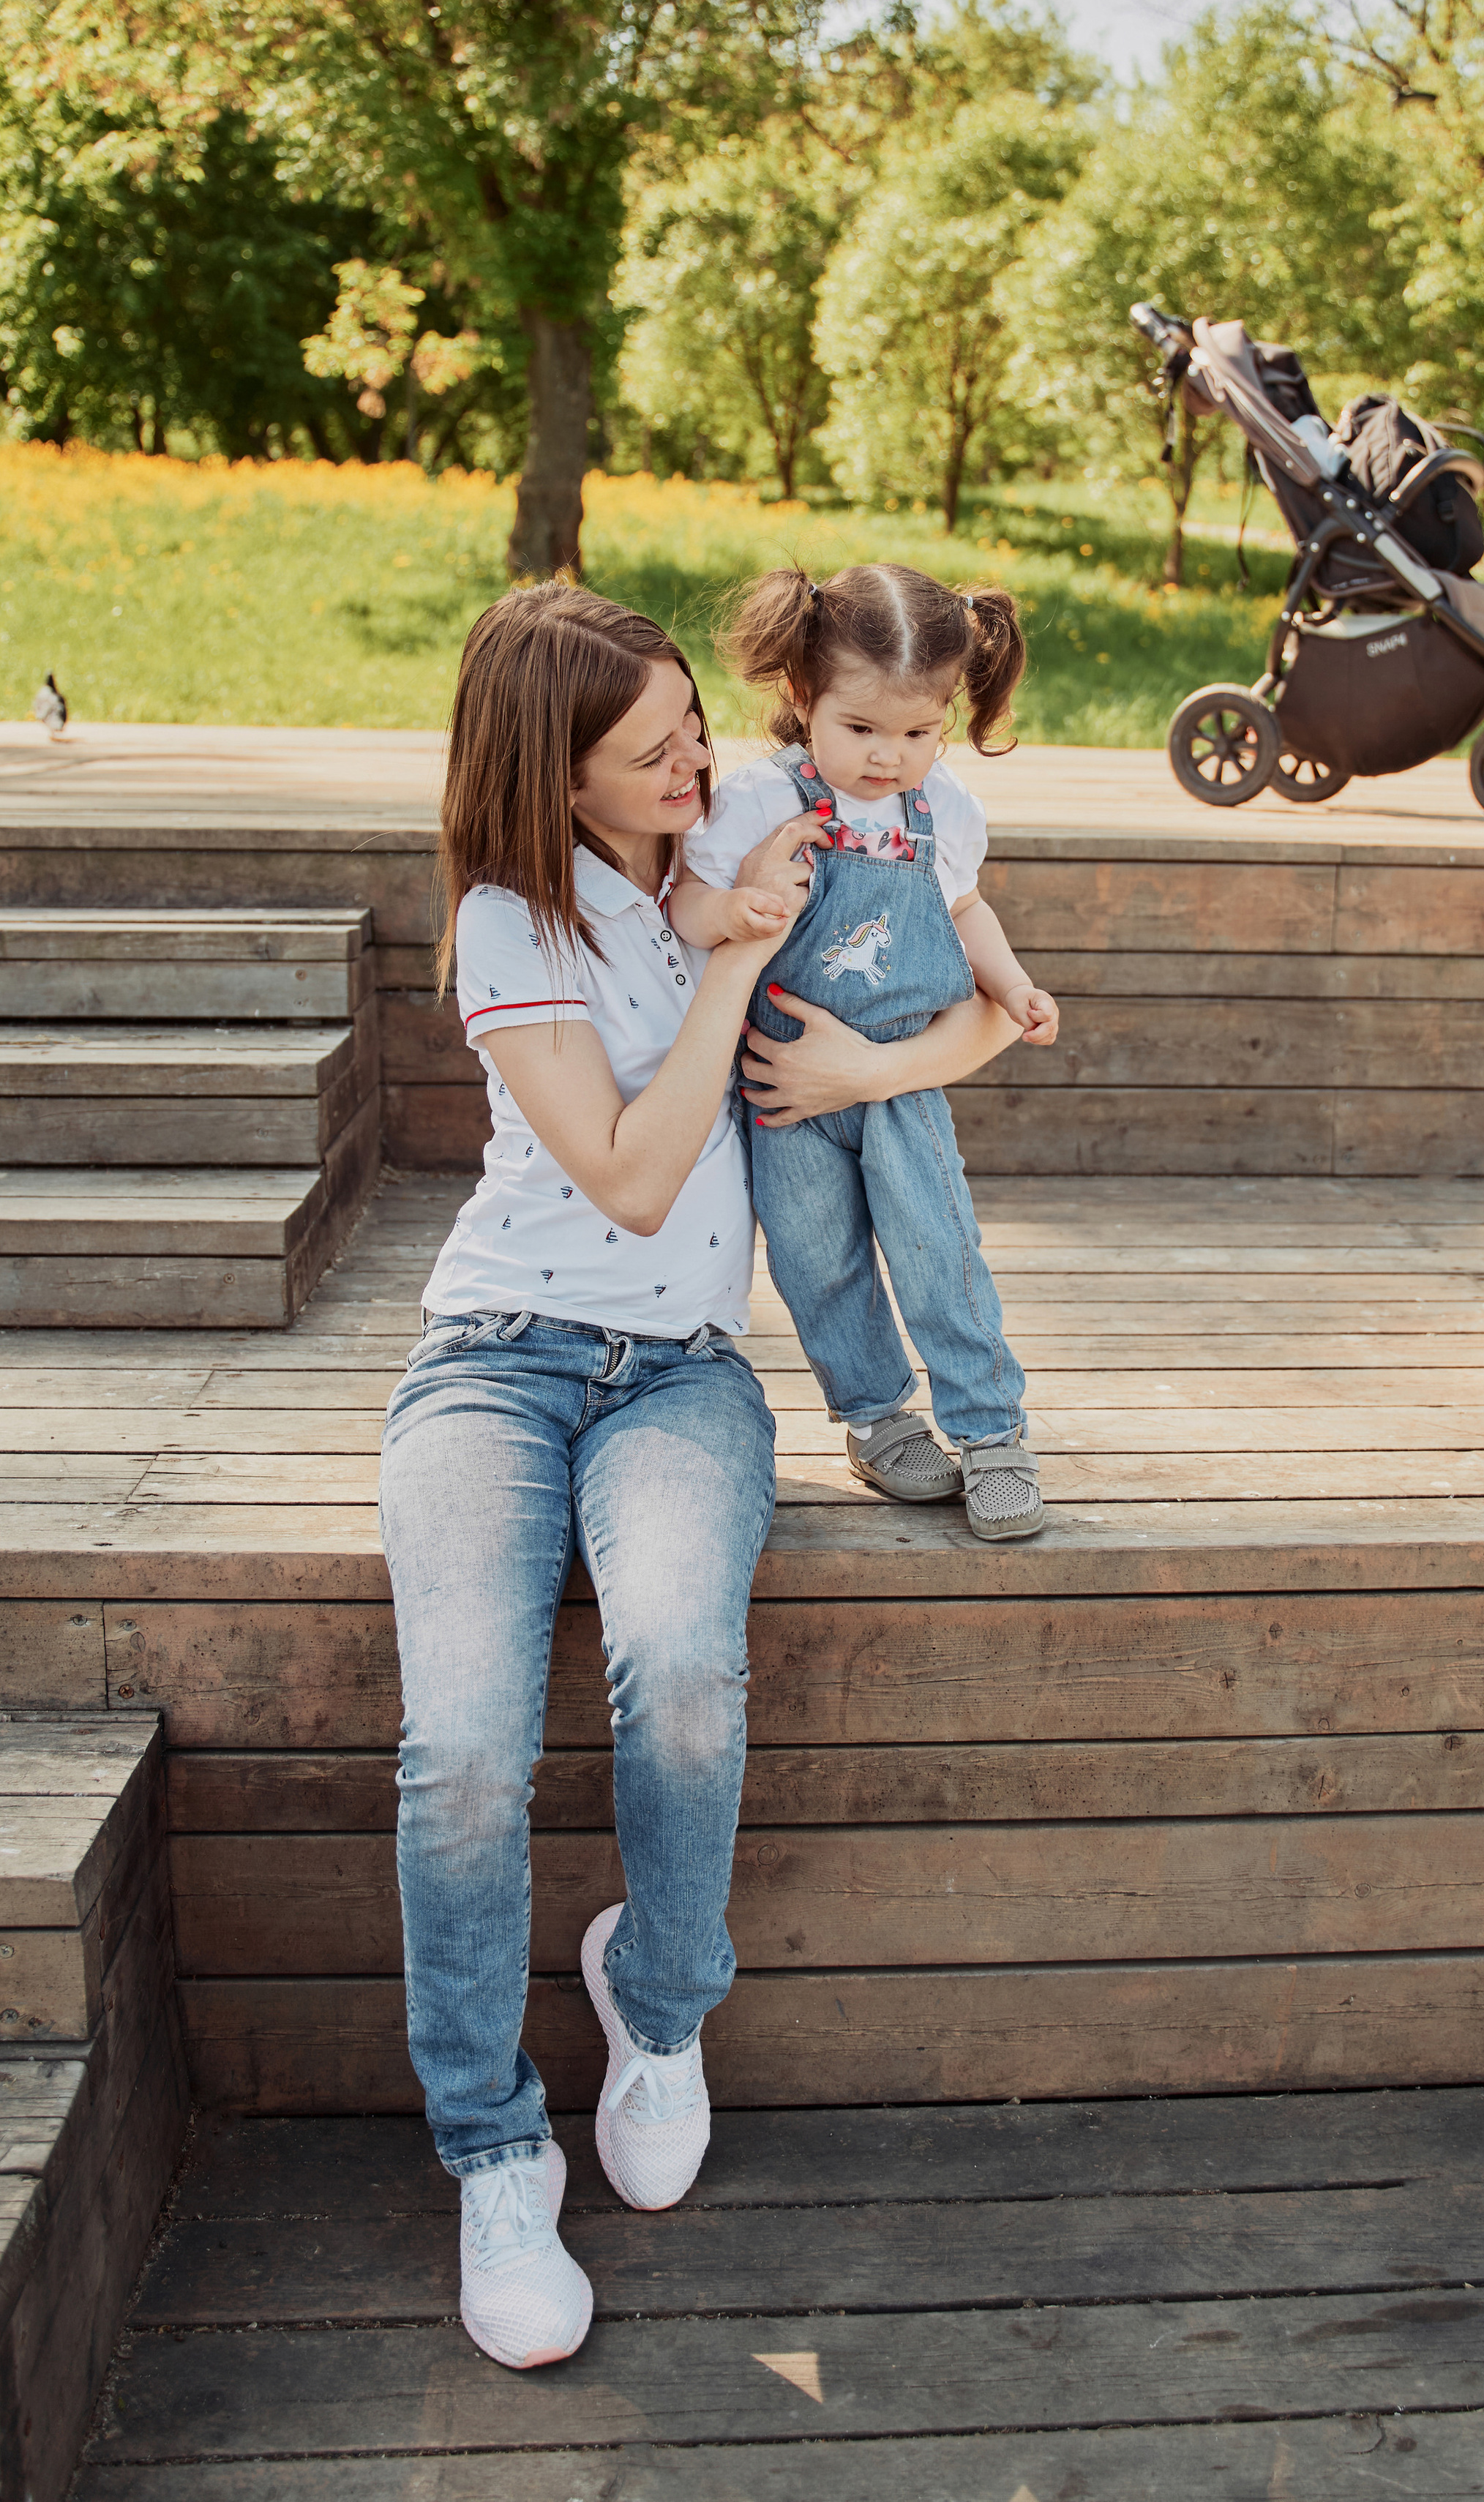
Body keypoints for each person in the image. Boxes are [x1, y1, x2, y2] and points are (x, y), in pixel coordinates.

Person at [378, 580, 1016, 2372]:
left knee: (677, 1676)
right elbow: (636, 1178)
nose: (698, 749)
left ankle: (656, 2012)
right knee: (466, 1754)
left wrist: (873, 1058)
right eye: (652, 739)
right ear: (552, 770)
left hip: (685, 1382)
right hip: (495, 1367)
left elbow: (968, 1017)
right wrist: (738, 951)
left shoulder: (750, 843)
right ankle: (495, 2154)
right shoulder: (517, 920)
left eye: (690, 716)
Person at [667, 562, 1058, 1541]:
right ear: (803, 700)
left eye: (920, 733)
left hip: (899, 1079)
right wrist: (728, 911)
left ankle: (991, 1427)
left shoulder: (945, 816)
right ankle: (875, 1415)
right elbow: (686, 901)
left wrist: (1009, 985)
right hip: (783, 1088)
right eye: (863, 730)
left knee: (939, 1249)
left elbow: (964, 909)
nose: (891, 758)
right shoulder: (759, 802)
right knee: (817, 1259)